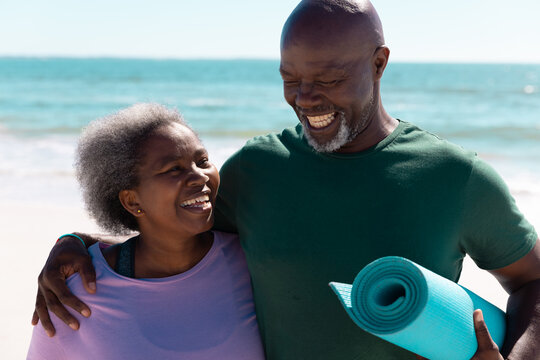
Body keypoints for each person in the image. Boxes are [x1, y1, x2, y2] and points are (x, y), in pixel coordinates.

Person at [32, 1, 540, 359]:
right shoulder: (257, 169)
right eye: (290, 79)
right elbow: (177, 237)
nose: (305, 98)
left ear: (379, 63)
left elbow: (532, 280)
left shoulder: (456, 177)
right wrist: (78, 241)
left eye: (328, 79)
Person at [27, 103, 264, 359]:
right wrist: (70, 239)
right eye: (174, 169)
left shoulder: (252, 259)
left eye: (202, 161)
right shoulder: (74, 293)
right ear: (132, 201)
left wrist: (71, 239)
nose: (199, 177)